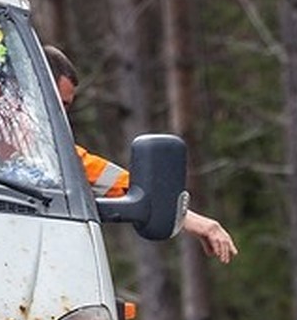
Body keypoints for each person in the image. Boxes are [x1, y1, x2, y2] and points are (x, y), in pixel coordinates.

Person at [43, 45, 237, 264]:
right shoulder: (6, 130)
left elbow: (117, 183)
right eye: (59, 105)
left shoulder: (48, 151)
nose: (62, 117)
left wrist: (195, 221)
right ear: (35, 90)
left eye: (66, 108)